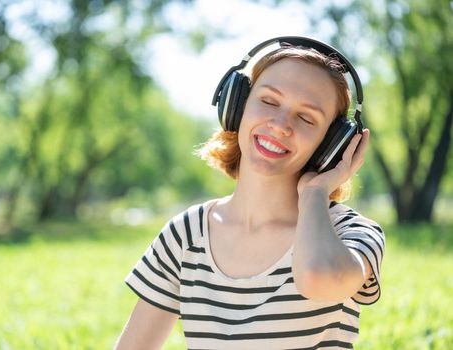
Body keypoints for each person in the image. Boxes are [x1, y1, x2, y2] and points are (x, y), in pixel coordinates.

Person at [114, 36, 385, 350]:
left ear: (331, 145)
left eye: (306, 118)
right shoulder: (186, 235)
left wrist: (314, 193)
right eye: (269, 101)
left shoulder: (349, 232)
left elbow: (318, 279)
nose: (281, 124)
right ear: (237, 104)